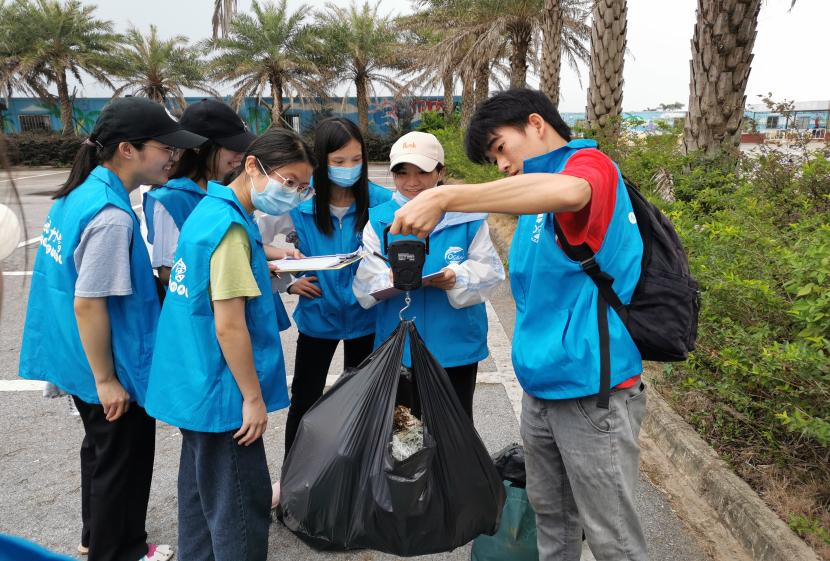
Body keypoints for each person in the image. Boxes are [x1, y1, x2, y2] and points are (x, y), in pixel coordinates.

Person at [388, 88, 649, 561]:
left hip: (591, 388)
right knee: (551, 519)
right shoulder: (532, 196)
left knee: (612, 537)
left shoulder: (588, 166)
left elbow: (572, 191)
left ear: (536, 123)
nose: (503, 165)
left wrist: (446, 196)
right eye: (493, 160)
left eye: (501, 148)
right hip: (542, 387)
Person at [18, 97, 205, 561]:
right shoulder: (110, 216)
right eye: (165, 148)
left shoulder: (79, 194)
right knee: (122, 463)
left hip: (77, 355)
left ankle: (100, 539)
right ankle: (118, 551)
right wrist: (106, 380)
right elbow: (88, 302)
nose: (173, 157)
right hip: (108, 363)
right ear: (127, 149)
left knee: (101, 455)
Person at [144, 128, 316, 561]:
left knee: (201, 498)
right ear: (253, 166)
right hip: (223, 392)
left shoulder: (211, 208)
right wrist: (252, 399)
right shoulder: (231, 230)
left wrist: (267, 257)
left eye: (302, 187)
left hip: (195, 382)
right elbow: (230, 326)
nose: (293, 194)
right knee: (240, 507)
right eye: (289, 182)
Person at [353, 131, 504, 419]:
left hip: (456, 348)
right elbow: (364, 286)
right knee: (404, 433)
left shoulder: (469, 218)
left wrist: (457, 277)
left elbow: (491, 272)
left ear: (440, 172)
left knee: (454, 427)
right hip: (399, 350)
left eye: (422, 172)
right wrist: (391, 278)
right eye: (402, 172)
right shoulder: (378, 220)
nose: (412, 182)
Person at [272, 117, 392, 460]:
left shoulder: (382, 201)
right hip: (318, 317)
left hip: (367, 318)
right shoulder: (299, 202)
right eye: (338, 161)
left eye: (356, 159)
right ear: (321, 161)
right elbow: (258, 245)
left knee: (365, 400)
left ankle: (359, 476)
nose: (349, 168)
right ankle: (295, 477)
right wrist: (290, 284)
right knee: (305, 400)